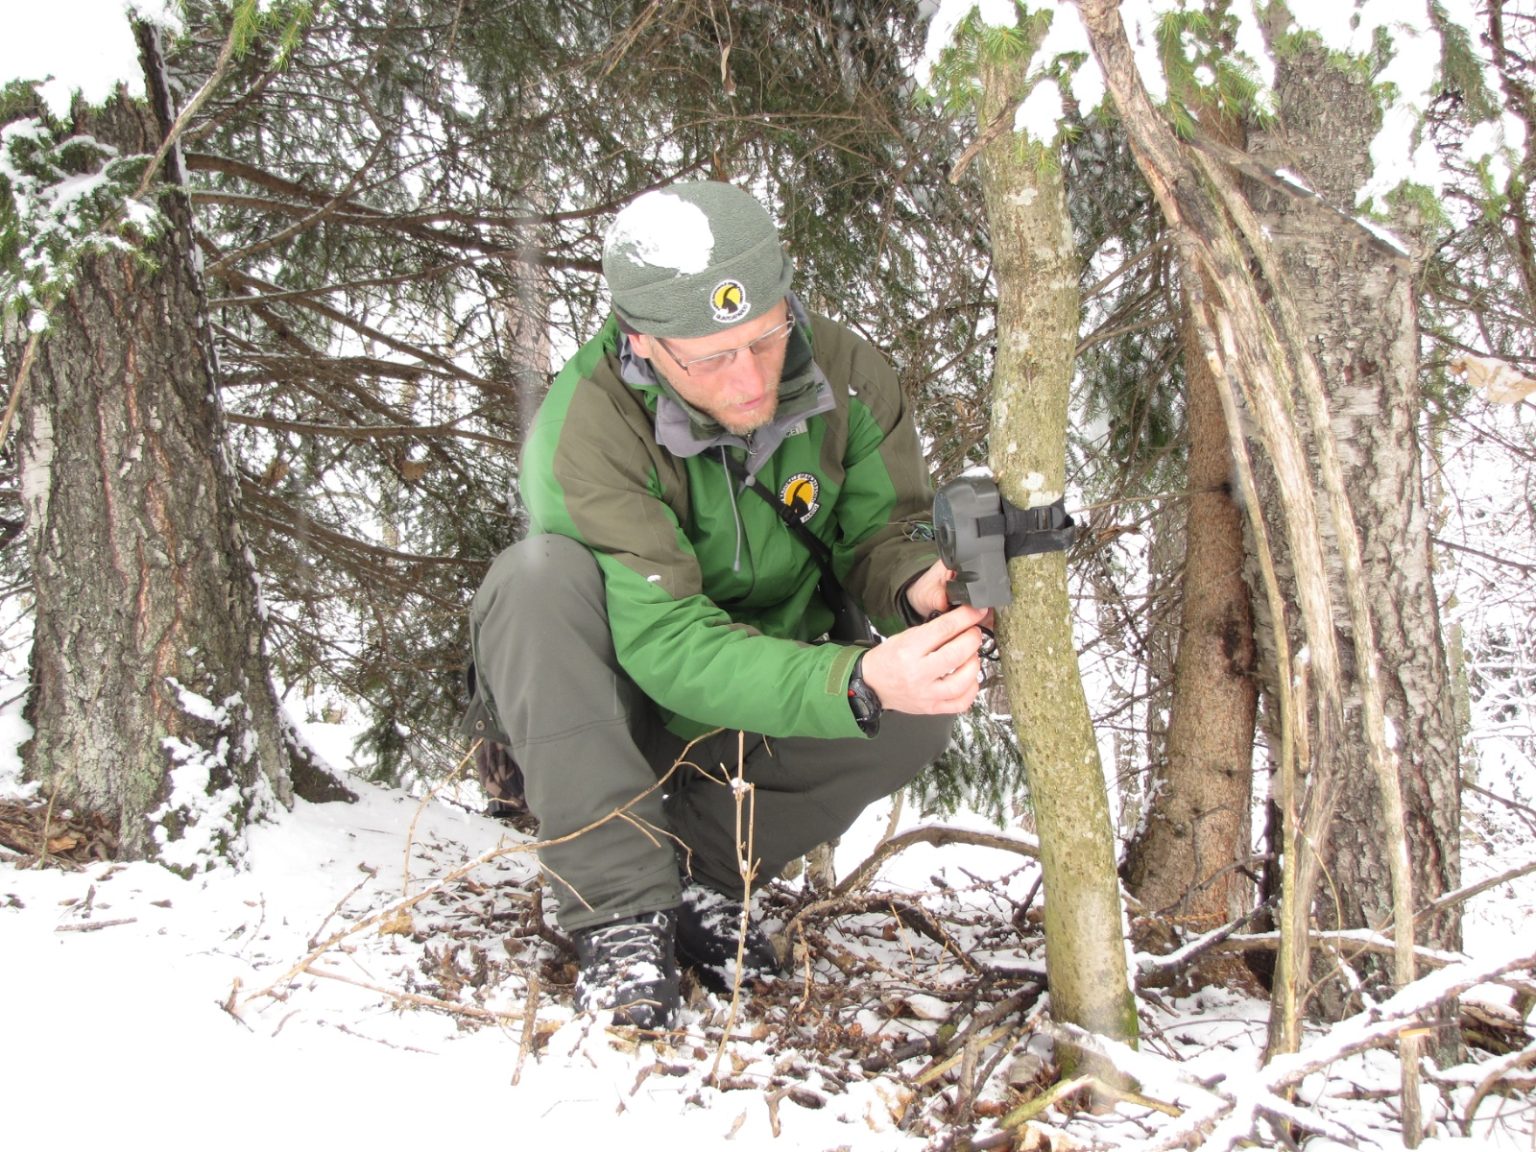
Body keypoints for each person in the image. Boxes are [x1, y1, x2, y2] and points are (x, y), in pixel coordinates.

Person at [464, 181, 987, 1028]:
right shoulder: (586, 428)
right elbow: (667, 642)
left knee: (918, 707)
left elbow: (880, 531)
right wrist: (847, 679)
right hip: (622, 698)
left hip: (758, 690)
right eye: (708, 357)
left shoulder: (849, 377)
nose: (749, 379)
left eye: (765, 338)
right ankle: (623, 917)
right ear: (642, 343)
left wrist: (919, 583)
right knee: (533, 581)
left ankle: (703, 875)